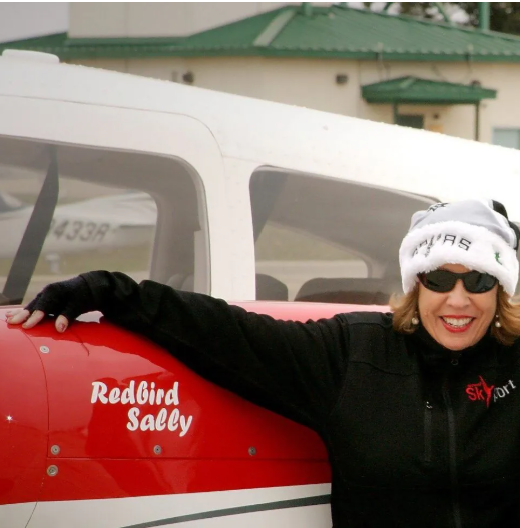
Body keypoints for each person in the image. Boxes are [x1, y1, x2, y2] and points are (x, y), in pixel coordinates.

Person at [7, 199, 520, 528]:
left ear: (501, 292)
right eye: (438, 280)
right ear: (414, 285)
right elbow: (227, 333)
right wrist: (107, 290)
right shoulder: (353, 354)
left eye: (477, 281)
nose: (459, 300)